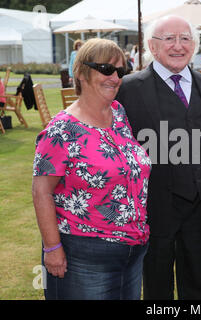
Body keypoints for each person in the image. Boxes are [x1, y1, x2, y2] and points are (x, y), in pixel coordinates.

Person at [32, 38, 151, 300]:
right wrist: (52, 248)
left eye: (121, 71)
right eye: (106, 69)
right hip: (85, 255)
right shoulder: (61, 130)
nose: (115, 78)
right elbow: (41, 193)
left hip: (132, 251)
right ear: (81, 73)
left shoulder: (118, 114)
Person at [115, 15, 201, 300]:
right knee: (157, 286)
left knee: (197, 286)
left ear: (194, 45)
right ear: (152, 45)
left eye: (185, 38)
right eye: (169, 39)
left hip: (200, 205)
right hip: (154, 208)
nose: (178, 45)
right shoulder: (128, 88)